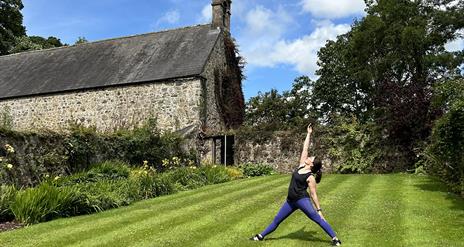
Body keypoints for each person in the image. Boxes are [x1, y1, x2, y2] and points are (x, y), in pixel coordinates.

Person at [250, 124, 342, 246]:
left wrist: (319, 210)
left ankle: (335, 239)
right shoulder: (301, 165)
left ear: (312, 165)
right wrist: (309, 134)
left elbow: (313, 194)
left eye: (310, 158)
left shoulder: (310, 177)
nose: (308, 157)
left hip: (302, 200)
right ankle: (260, 236)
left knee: (316, 218)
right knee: (277, 219)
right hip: (290, 200)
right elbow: (305, 148)